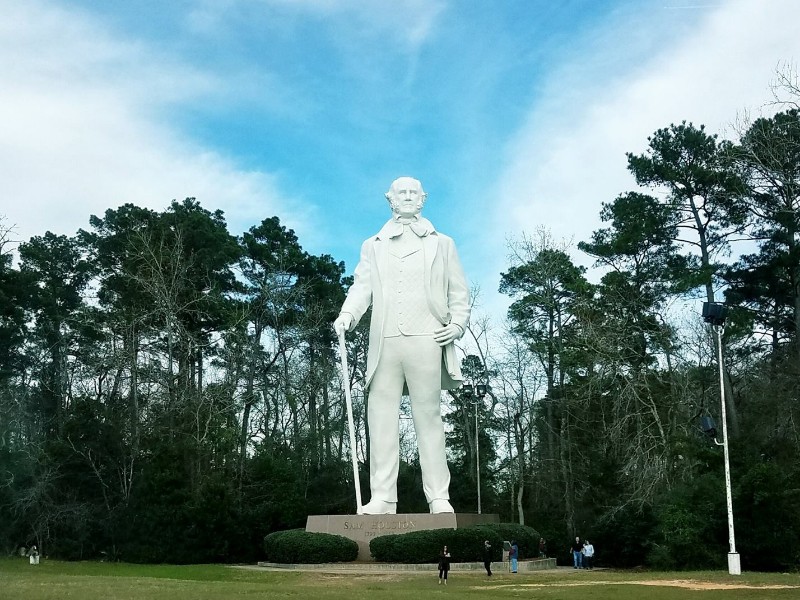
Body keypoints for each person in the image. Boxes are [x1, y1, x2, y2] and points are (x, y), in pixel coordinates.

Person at [334, 177, 470, 515]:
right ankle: (382, 497)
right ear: (390, 199)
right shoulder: (373, 245)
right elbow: (361, 286)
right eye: (401, 193)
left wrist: (456, 325)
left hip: (427, 338)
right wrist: (347, 315)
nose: (407, 197)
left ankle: (439, 496)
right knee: (380, 419)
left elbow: (459, 293)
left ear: (422, 199)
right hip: (385, 342)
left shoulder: (444, 244)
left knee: (429, 417)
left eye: (413, 192)